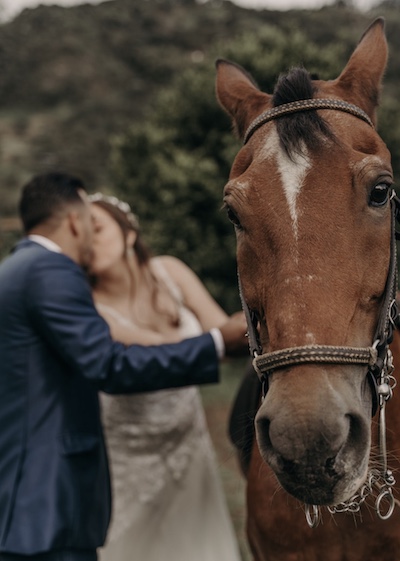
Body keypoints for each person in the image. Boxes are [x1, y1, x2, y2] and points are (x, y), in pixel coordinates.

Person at [0, 173, 247, 561]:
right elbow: (110, 365)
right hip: (49, 500)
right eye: (90, 223)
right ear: (73, 221)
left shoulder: (21, 268)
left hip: (38, 495)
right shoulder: (53, 272)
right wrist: (216, 341)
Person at [88, 193, 242, 561]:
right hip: (128, 455)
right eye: (81, 237)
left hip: (189, 443)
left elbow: (225, 329)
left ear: (128, 234)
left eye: (97, 229)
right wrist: (221, 339)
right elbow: (158, 353)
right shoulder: (85, 306)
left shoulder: (169, 271)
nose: (89, 243)